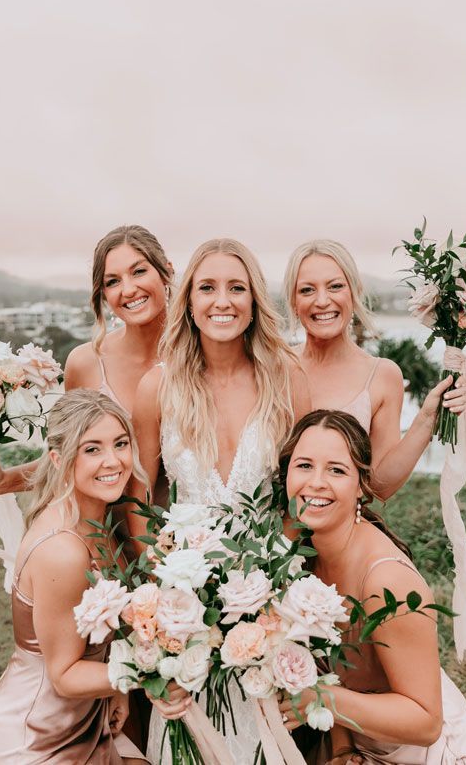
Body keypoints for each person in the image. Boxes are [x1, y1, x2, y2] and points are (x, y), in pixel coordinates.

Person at [128, 238, 311, 764]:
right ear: (187, 300)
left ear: (255, 300)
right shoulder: (157, 387)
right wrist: (163, 610)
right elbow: (140, 502)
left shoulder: (287, 378)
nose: (222, 301)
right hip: (185, 615)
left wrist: (272, 587)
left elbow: (300, 498)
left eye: (237, 287)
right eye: (207, 287)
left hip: (269, 608)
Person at [279, 409, 466, 764]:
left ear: (362, 484)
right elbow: (331, 671)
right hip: (357, 742)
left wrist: (324, 701)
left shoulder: (386, 580)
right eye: (304, 466)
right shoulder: (299, 556)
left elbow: (425, 722)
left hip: (424, 752)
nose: (315, 482)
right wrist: (343, 748)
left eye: (336, 470)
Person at [0, 389, 153, 764]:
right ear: (59, 459)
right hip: (31, 740)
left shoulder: (98, 522)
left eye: (120, 443)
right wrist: (158, 667)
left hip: (85, 722)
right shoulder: (63, 551)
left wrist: (114, 691)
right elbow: (64, 675)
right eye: (92, 449)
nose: (113, 461)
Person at [0, 224, 173, 495]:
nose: (128, 290)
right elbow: (70, 457)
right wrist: (8, 480)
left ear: (166, 271)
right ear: (103, 294)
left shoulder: (203, 355)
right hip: (106, 529)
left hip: (195, 532)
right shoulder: (85, 363)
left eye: (139, 271)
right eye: (112, 281)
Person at [283, 240, 466, 500]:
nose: (322, 301)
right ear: (293, 300)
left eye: (335, 286)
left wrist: (428, 419)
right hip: (267, 532)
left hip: (343, 533)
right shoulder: (272, 366)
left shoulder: (382, 375)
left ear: (354, 291)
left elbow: (380, 487)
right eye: (307, 290)